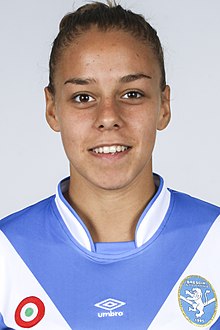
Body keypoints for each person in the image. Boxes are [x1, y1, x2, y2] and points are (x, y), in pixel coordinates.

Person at [0, 1, 219, 329]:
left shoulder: (213, 242)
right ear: (52, 109)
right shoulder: (7, 254)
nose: (108, 118)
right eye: (83, 97)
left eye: (132, 94)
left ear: (164, 106)